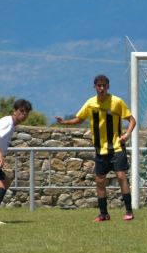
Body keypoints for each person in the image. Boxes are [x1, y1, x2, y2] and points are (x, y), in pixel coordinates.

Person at [55, 74, 136, 222]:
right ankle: (103, 214)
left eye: (104, 85)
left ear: (108, 87)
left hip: (116, 147)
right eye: (99, 86)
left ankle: (129, 211)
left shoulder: (117, 102)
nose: (102, 88)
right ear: (94, 87)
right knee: (99, 180)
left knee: (121, 176)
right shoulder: (90, 103)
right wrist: (64, 122)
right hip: (100, 149)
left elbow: (132, 120)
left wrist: (127, 134)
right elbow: (80, 119)